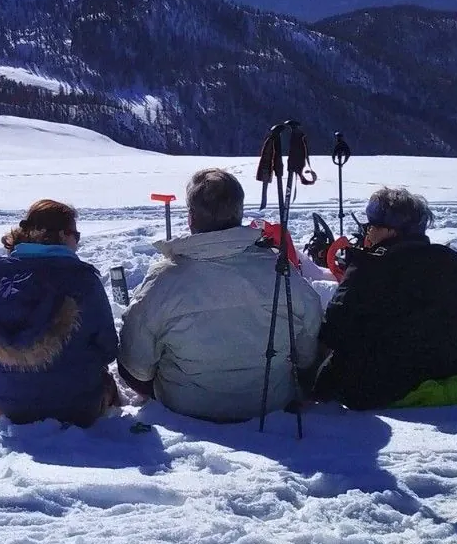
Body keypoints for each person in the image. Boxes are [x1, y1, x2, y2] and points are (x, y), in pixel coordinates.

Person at [117, 168, 324, 422]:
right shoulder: (278, 269)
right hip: (271, 403)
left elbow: (135, 366)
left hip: (187, 409)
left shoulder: (164, 280)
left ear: (191, 217)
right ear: (239, 212)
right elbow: (310, 337)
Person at [312, 187, 457, 409]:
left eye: (372, 226)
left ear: (392, 232)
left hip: (375, 383)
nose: (367, 231)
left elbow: (335, 329)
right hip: (443, 364)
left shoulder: (368, 268)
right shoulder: (447, 264)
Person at [0, 199, 119, 426]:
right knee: (107, 385)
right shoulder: (83, 280)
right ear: (61, 235)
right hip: (77, 408)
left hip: (4, 408)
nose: (77, 243)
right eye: (75, 235)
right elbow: (107, 348)